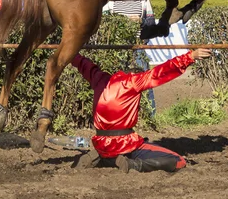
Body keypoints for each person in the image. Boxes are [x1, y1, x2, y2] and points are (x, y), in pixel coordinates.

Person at [73, 48, 212, 173]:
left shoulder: (99, 79)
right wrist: (191, 56)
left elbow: (81, 62)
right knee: (178, 161)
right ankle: (133, 165)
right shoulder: (132, 82)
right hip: (125, 144)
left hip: (101, 143)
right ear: (133, 72)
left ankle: (102, 158)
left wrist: (67, 49)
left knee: (117, 148)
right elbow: (162, 71)